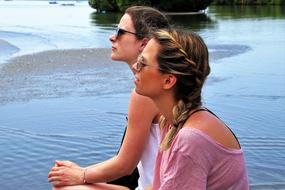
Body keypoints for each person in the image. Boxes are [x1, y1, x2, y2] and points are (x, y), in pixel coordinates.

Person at [48, 6, 170, 190]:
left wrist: (81, 175)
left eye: (120, 32)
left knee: (65, 187)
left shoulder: (146, 94)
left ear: (143, 44)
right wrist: (81, 172)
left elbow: (125, 165)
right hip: (153, 184)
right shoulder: (166, 83)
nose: (112, 37)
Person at [132, 29, 249, 189]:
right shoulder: (172, 121)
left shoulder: (189, 139)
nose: (134, 67)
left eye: (142, 63)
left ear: (168, 80)